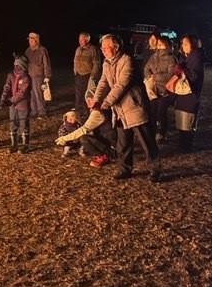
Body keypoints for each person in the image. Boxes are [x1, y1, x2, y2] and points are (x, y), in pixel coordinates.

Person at [88, 34, 161, 181]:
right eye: (102, 48)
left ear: (116, 47)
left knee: (146, 141)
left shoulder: (127, 60)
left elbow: (121, 85)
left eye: (106, 47)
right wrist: (96, 100)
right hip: (120, 110)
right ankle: (124, 169)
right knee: (123, 143)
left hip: (134, 107)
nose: (103, 50)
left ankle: (155, 170)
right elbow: (103, 82)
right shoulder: (107, 63)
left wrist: (105, 103)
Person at [55, 89, 117, 168]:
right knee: (86, 136)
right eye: (87, 100)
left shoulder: (98, 112)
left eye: (91, 99)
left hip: (111, 142)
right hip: (111, 139)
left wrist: (65, 138)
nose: (88, 102)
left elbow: (84, 129)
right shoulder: (103, 107)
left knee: (84, 138)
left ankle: (106, 155)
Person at [172, 33, 205, 152]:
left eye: (187, 43)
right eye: (182, 43)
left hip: (191, 92)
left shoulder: (196, 56)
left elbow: (194, 75)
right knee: (181, 117)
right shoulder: (184, 56)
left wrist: (181, 69)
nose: (184, 45)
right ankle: (182, 145)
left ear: (193, 44)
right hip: (183, 92)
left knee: (188, 118)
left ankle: (186, 146)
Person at [143, 35, 177, 142]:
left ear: (167, 45)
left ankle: (162, 132)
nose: (159, 46)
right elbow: (146, 68)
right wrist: (149, 76)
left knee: (161, 112)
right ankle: (152, 132)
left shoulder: (171, 58)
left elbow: (171, 74)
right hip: (153, 90)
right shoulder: (154, 56)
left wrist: (155, 76)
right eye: (158, 44)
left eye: (161, 44)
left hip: (165, 90)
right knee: (152, 111)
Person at [0, 55, 31, 154]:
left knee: (23, 124)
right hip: (12, 106)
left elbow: (22, 93)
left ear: (24, 66)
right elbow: (6, 88)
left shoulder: (26, 78)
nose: (17, 67)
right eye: (15, 64)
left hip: (23, 105)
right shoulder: (10, 75)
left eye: (19, 65)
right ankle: (14, 145)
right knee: (13, 124)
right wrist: (3, 100)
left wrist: (11, 101)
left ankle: (25, 145)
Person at [73, 31, 101, 123]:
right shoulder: (78, 49)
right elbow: (75, 61)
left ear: (87, 39)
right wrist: (75, 71)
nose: (80, 41)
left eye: (82, 39)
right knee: (78, 96)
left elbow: (96, 64)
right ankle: (78, 114)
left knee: (87, 96)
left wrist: (93, 76)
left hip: (87, 76)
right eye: (79, 39)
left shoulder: (93, 50)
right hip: (79, 75)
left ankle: (89, 115)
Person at [24, 32, 51, 118]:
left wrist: (47, 76)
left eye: (32, 40)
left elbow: (46, 63)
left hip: (39, 75)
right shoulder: (27, 51)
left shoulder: (42, 50)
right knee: (31, 93)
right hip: (29, 75)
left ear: (37, 40)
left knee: (38, 93)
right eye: (29, 40)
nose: (30, 41)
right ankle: (34, 110)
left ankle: (42, 111)